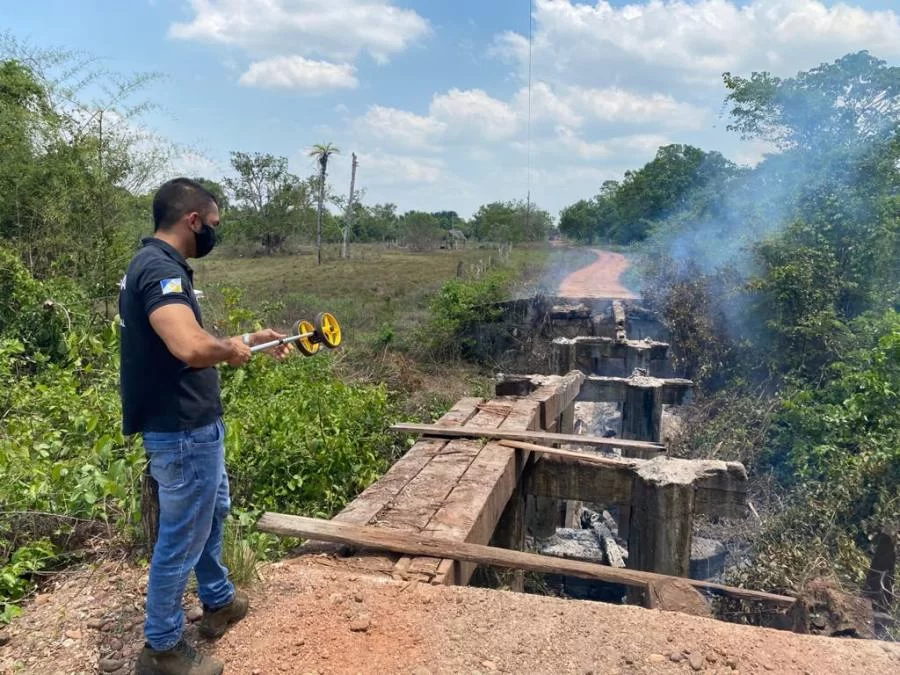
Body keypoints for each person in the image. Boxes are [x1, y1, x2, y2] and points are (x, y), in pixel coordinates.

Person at [119, 178, 291, 675]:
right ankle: (163, 648)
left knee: (211, 515)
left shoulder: (160, 266)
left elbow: (193, 338)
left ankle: (218, 601)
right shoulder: (158, 270)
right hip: (182, 430)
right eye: (213, 224)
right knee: (183, 535)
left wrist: (246, 338)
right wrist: (227, 349)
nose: (215, 233)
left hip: (195, 427)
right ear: (193, 220)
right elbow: (191, 347)